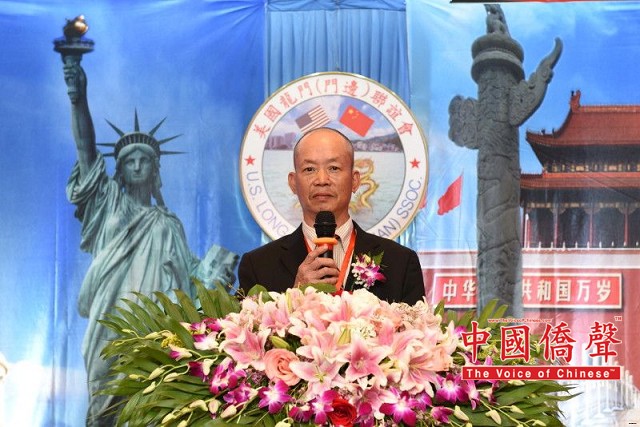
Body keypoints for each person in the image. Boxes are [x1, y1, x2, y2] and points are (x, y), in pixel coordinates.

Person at [62, 58, 238, 426]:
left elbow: (190, 275)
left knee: (151, 407)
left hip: (156, 323)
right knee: (104, 406)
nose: (138, 166)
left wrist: (217, 273)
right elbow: (86, 150)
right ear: (121, 170)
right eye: (130, 161)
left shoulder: (168, 223)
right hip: (111, 317)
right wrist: (78, 98)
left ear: (155, 169)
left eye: (145, 160)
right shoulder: (107, 202)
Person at [238, 127, 425, 304]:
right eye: (309, 169)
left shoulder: (400, 262)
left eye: (334, 168)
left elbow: (414, 326)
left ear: (355, 180)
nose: (322, 180)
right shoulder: (258, 265)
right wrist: (295, 296)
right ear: (293, 183)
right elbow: (252, 327)